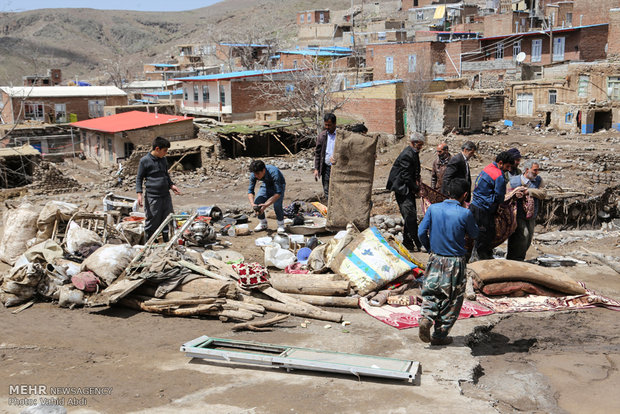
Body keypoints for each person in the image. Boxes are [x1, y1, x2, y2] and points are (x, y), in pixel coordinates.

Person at [418, 178, 479, 346]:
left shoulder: (433, 209)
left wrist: (429, 247)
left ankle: (426, 318)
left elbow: (421, 231)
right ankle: (439, 336)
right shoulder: (465, 213)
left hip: (435, 258)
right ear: (465, 195)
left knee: (431, 292)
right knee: (452, 299)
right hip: (455, 262)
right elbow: (474, 234)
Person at [469, 151, 515, 260]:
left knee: (477, 234)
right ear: (500, 163)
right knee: (485, 235)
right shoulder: (499, 175)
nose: (508, 169)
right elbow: (500, 196)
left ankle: (475, 255)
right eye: (507, 166)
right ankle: (480, 259)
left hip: (475, 205)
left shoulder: (487, 168)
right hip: (485, 208)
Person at [136, 136, 181, 242]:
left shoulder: (163, 160)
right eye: (164, 150)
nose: (166, 153)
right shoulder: (144, 161)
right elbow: (139, 178)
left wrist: (171, 185)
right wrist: (139, 194)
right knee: (153, 220)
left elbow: (166, 175)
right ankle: (150, 243)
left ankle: (167, 242)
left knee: (167, 218)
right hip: (153, 197)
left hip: (165, 195)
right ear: (157, 149)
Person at [386, 132, 425, 251]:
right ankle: (418, 243)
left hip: (408, 188)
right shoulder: (407, 155)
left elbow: (414, 172)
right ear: (414, 143)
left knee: (410, 215)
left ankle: (408, 242)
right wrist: (417, 189)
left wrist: (418, 182)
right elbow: (406, 176)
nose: (421, 147)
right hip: (402, 189)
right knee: (410, 216)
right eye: (419, 144)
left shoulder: (414, 153)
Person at [506, 160, 546, 261]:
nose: (537, 173)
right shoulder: (514, 181)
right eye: (535, 170)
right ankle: (516, 258)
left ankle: (519, 257)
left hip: (531, 214)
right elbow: (506, 195)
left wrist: (529, 191)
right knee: (523, 235)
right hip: (517, 214)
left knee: (528, 238)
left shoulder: (538, 181)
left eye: (537, 170)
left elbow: (543, 194)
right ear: (527, 170)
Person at [248, 160, 286, 233]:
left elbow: (278, 193)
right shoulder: (254, 174)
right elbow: (250, 191)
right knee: (257, 201)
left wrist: (266, 205)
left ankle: (280, 224)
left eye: (258, 174)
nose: (256, 176)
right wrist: (253, 204)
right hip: (266, 184)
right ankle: (263, 223)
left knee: (277, 205)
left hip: (279, 185)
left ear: (263, 170)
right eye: (254, 174)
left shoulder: (274, 173)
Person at [313, 113, 337, 199]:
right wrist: (316, 169)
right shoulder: (322, 136)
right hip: (326, 168)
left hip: (337, 168)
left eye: (329, 125)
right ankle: (329, 210)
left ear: (334, 124)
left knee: (337, 190)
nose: (327, 127)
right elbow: (318, 153)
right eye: (326, 125)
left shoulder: (340, 136)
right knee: (327, 190)